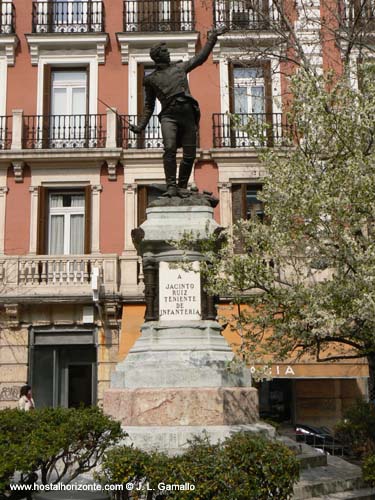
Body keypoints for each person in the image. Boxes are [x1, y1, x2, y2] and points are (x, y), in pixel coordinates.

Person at [130, 27, 227, 197]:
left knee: (190, 154)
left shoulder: (180, 68)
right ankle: (171, 186)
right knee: (169, 148)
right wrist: (141, 126)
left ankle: (181, 186)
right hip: (169, 116)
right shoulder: (150, 79)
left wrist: (212, 38)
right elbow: (149, 106)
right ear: (159, 56)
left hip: (187, 114)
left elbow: (200, 58)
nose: (169, 54)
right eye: (166, 52)